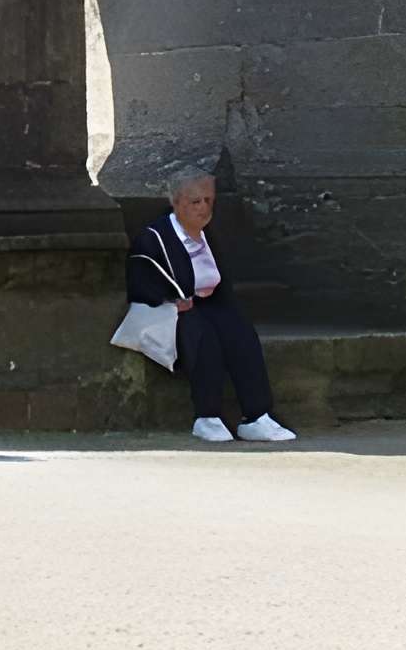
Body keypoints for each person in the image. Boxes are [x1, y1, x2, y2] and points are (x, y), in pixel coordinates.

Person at [126, 166, 297, 445]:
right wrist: (168, 301)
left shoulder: (207, 234)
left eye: (209, 200)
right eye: (196, 202)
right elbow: (139, 281)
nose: (204, 208)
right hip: (176, 311)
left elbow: (219, 281)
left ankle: (256, 416)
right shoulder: (155, 237)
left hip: (210, 301)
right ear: (177, 202)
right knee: (203, 337)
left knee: (242, 333)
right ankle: (207, 416)